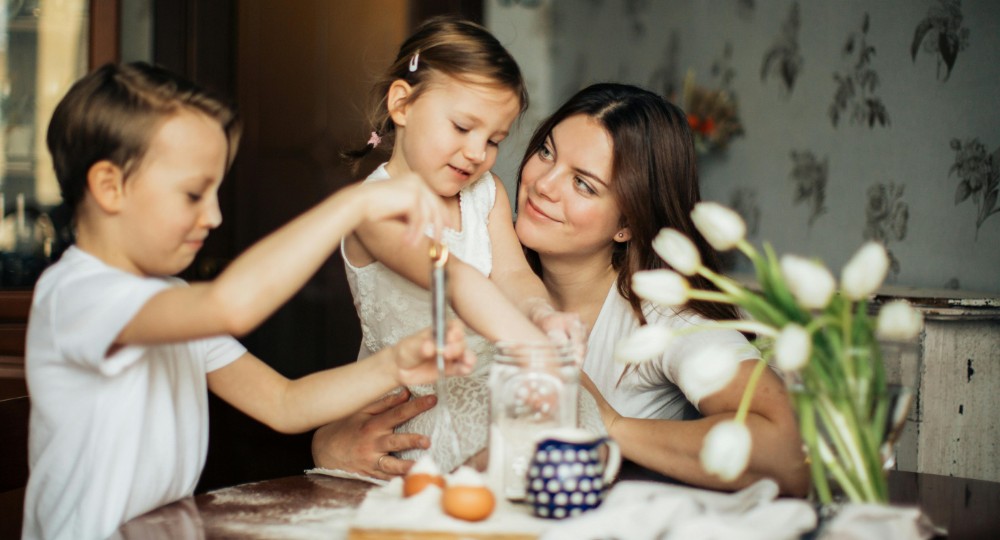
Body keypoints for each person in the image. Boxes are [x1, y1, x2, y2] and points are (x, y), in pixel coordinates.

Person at [23, 61, 473, 540]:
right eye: (194, 194)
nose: (213, 215)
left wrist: (395, 365)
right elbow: (230, 306)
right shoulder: (78, 295)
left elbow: (285, 403)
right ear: (110, 187)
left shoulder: (170, 300)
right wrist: (352, 206)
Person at [315, 83, 809, 496]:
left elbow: (787, 455)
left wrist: (609, 425)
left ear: (628, 224)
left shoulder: (662, 318)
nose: (543, 184)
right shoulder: (473, 262)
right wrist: (331, 443)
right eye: (546, 152)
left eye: (585, 184)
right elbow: (381, 396)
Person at [336, 16, 587, 475]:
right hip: (410, 422)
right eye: (461, 127)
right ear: (403, 104)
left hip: (486, 406)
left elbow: (513, 275)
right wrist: (528, 343)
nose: (477, 153)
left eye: (493, 140)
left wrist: (541, 314)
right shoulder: (372, 208)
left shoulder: (485, 193)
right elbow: (450, 277)